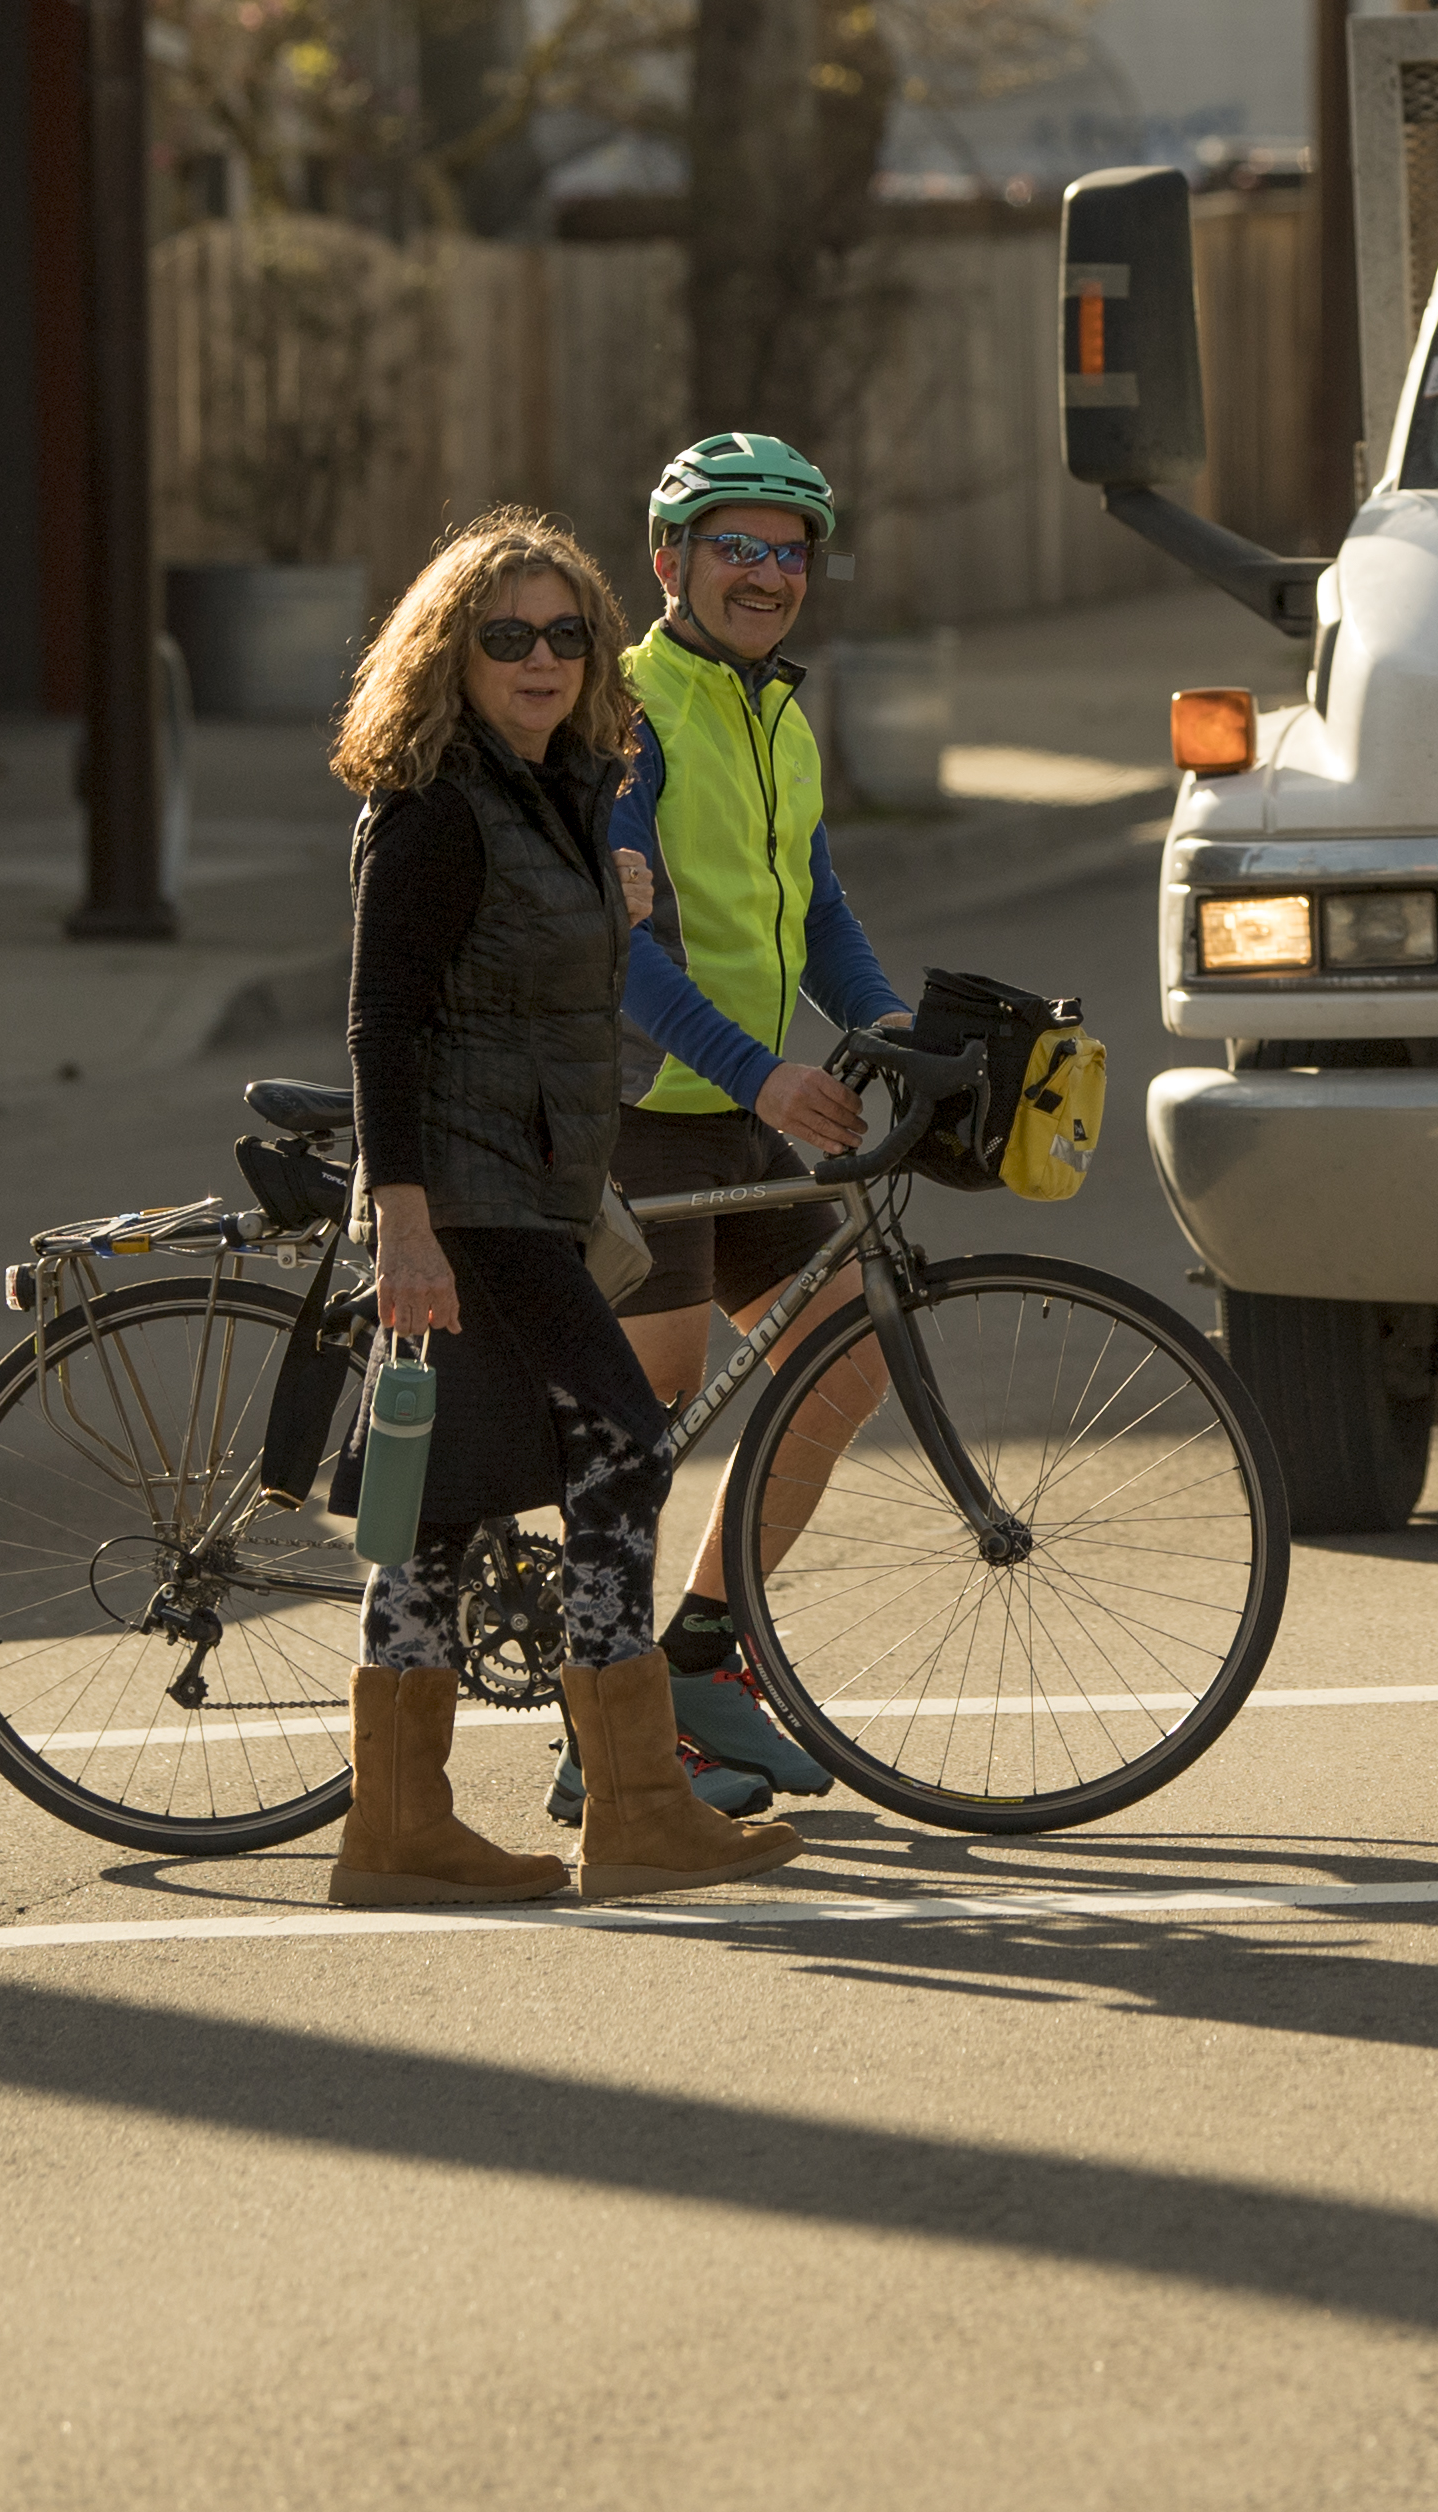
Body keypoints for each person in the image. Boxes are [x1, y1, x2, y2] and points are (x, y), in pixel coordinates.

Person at [331, 505, 803, 1907]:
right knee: (626, 1445)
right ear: (450, 654)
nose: (539, 660)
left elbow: (548, 982)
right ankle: (635, 1803)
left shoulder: (559, 791)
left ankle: (396, 1829)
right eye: (505, 637)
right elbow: (382, 1026)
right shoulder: (432, 803)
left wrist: (617, 890)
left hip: (531, 1184)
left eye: (564, 635)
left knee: (443, 1503)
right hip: (471, 1199)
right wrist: (402, 1222)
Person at [580, 431, 912, 1818]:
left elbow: (817, 911)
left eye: (790, 553)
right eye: (739, 548)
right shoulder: (628, 714)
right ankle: (603, 1734)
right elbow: (624, 953)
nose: (769, 574)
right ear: (672, 561)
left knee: (846, 1366)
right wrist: (768, 1075)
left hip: (733, 1114)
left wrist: (892, 1027)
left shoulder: (779, 712)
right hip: (644, 1111)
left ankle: (704, 1662)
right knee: (639, 1420)